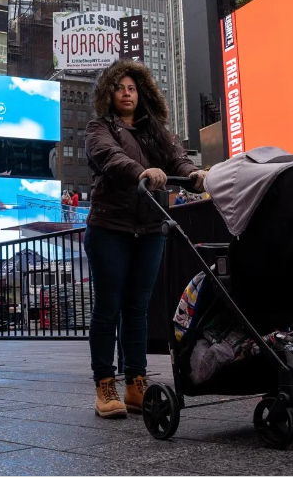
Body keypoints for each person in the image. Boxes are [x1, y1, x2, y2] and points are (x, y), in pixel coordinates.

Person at [85, 59, 206, 418]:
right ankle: (105, 383)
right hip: (110, 227)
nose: (126, 93)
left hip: (150, 228)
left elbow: (177, 157)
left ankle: (136, 382)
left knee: (138, 310)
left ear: (142, 94)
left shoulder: (156, 131)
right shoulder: (99, 127)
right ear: (109, 92)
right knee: (108, 307)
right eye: (120, 87)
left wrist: (192, 174)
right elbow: (110, 157)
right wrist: (142, 171)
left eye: (133, 88)